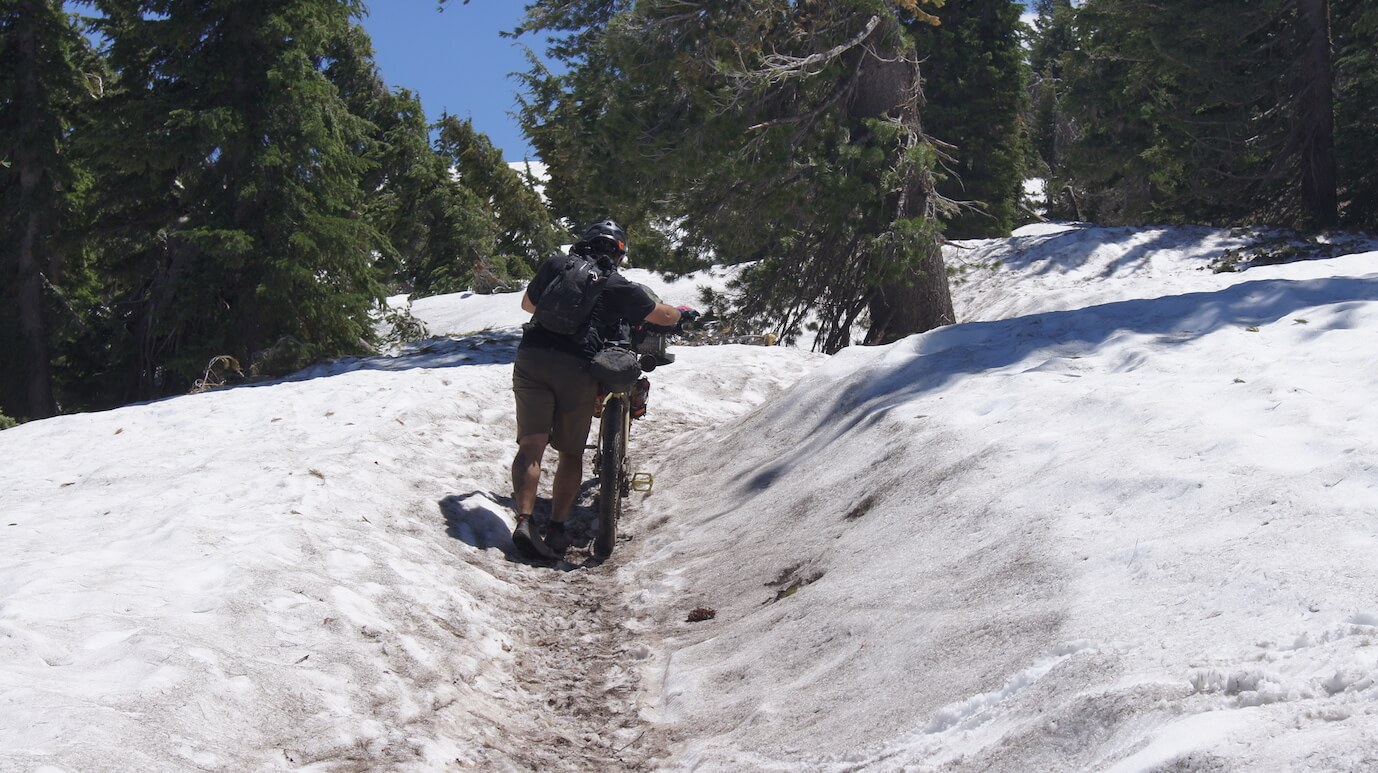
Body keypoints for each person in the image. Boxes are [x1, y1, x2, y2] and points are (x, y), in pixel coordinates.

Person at [510, 219, 685, 560]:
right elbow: (661, 316)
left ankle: (525, 520)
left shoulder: (556, 265)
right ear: (618, 253)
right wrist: (679, 314)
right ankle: (558, 528)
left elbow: (529, 306)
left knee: (531, 446)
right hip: (576, 366)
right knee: (570, 453)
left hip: (531, 357)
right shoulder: (615, 283)